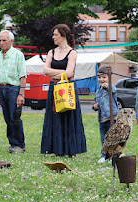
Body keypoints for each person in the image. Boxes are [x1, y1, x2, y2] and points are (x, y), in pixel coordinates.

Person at [41, 24, 87, 157]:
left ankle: (70, 149)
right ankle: (57, 149)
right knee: (55, 117)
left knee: (68, 118)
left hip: (67, 88)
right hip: (54, 88)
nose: (53, 37)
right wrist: (63, 72)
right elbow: (45, 70)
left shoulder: (72, 53)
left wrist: (56, 73)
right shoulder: (51, 52)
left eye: (55, 34)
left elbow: (69, 73)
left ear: (63, 35)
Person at [0, 30, 26, 153]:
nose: (1, 43)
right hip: (2, 88)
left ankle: (20, 145)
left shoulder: (18, 55)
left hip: (14, 89)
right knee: (7, 118)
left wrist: (21, 94)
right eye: (0, 41)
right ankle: (12, 143)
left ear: (11, 41)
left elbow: (23, 76)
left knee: (15, 117)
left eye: (4, 40)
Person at [93, 66, 119, 163]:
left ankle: (113, 155)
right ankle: (104, 155)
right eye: (99, 77)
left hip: (111, 117)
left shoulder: (111, 87)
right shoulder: (98, 91)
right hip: (102, 118)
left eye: (104, 77)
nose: (101, 79)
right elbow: (97, 102)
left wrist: (107, 87)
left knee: (112, 138)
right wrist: (95, 106)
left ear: (109, 77)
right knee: (104, 138)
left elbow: (113, 91)